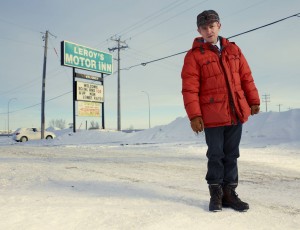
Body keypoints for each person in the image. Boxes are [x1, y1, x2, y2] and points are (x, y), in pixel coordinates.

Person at [181, 10, 260, 212]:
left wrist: (253, 100)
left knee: (232, 155)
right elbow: (190, 88)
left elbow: (246, 77)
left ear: (219, 26)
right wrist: (195, 115)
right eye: (204, 27)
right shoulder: (193, 56)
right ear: (199, 30)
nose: (209, 30)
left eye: (212, 26)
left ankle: (229, 193)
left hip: (236, 112)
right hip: (212, 115)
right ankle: (215, 194)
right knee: (216, 155)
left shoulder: (234, 50)